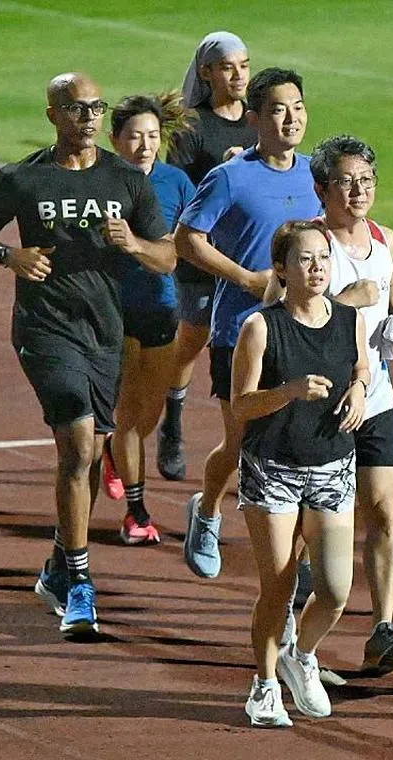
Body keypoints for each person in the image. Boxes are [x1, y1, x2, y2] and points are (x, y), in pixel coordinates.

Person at [0, 73, 175, 634]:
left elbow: (168, 257)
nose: (89, 117)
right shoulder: (23, 178)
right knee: (79, 443)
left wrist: (133, 244)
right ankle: (80, 581)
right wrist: (10, 257)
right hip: (44, 328)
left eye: (96, 107)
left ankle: (58, 562)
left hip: (105, 333)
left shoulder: (126, 179)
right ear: (52, 113)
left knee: (89, 450)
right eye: (76, 108)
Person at [175, 67, 322, 579]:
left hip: (305, 329)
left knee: (303, 451)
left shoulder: (316, 174)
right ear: (255, 118)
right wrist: (245, 279)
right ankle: (208, 508)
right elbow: (187, 239)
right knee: (242, 444)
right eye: (279, 109)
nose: (291, 118)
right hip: (241, 330)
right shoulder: (231, 177)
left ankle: (294, 559)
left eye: (298, 107)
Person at [234, 220, 368, 727]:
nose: (317, 268)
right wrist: (289, 391)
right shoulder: (262, 327)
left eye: (324, 258)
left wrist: (358, 388)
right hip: (274, 468)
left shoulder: (348, 318)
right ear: (283, 269)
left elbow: (361, 367)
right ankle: (264, 685)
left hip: (333, 464)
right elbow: (241, 406)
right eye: (306, 259)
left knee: (335, 589)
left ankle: (301, 655)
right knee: (280, 586)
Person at [309, 135, 393, 674]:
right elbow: (286, 316)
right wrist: (341, 303)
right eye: (347, 182)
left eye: (367, 181)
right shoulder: (309, 245)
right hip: (322, 401)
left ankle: (384, 626)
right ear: (321, 189)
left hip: (376, 396)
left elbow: (391, 289)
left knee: (382, 506)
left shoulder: (385, 239)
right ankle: (296, 631)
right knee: (324, 519)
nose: (358, 191)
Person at [158, 31, 258, 481]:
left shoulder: (259, 120)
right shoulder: (193, 127)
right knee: (194, 340)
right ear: (206, 73)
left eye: (244, 66)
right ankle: (173, 422)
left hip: (251, 252)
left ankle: (254, 450)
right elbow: (178, 189)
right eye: (227, 67)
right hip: (205, 256)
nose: (238, 76)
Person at [101, 92, 196, 545]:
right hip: (112, 309)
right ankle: (137, 513)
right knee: (126, 413)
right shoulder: (98, 181)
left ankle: (114, 452)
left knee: (148, 416)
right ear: (115, 140)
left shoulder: (176, 182)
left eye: (153, 137)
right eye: (135, 137)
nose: (144, 146)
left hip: (160, 305)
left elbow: (189, 241)